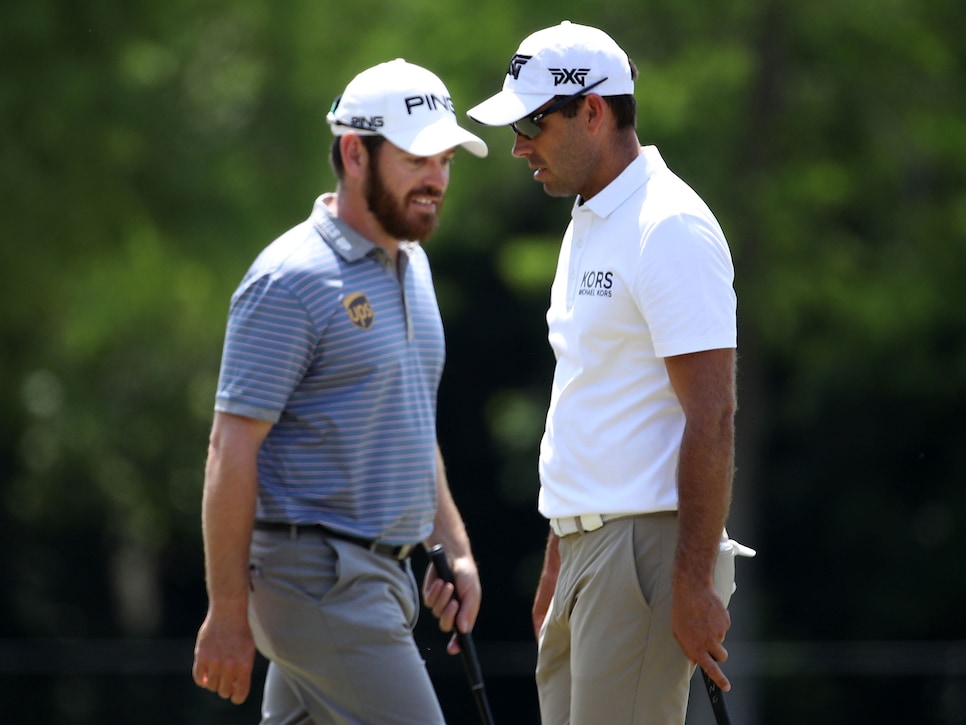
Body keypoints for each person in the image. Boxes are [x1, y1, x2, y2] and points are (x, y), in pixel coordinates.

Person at [468, 21, 754, 724]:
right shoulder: (591, 218)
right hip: (584, 549)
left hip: (647, 554)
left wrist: (690, 583)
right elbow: (587, 400)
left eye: (533, 122)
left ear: (592, 111)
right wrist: (558, 553)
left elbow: (712, 413)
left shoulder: (669, 225)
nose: (518, 145)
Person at [191, 58, 489, 724]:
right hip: (320, 581)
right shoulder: (290, 279)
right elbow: (229, 449)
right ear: (355, 152)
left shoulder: (414, 265)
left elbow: (409, 422)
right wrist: (226, 612)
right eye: (418, 159)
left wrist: (456, 547)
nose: (437, 179)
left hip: (381, 578)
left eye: (446, 161)